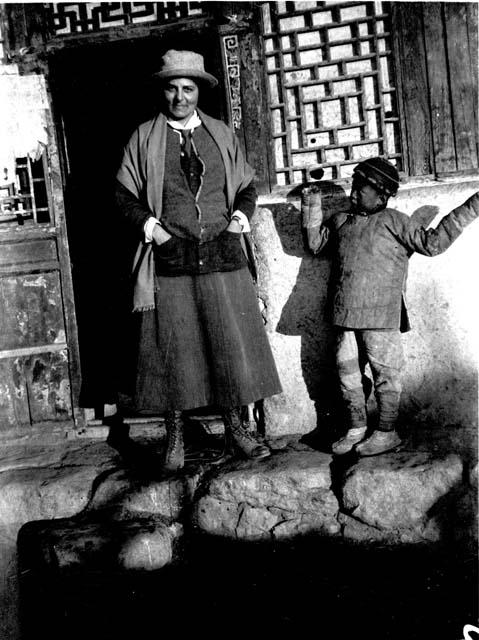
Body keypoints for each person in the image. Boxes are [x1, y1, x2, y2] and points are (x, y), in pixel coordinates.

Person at [106, 49, 282, 471]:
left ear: (199, 91)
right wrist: (156, 231)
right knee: (175, 349)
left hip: (222, 254)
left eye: (188, 88)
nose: (180, 97)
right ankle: (175, 439)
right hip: (172, 257)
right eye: (172, 88)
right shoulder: (144, 137)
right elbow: (123, 195)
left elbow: (247, 187)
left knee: (229, 344)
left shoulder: (221, 134)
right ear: (161, 91)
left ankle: (237, 430)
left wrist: (240, 219)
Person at [302, 157, 479, 456]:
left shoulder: (395, 221)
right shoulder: (342, 220)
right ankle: (356, 427)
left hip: (380, 315)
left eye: (362, 189)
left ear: (382, 195)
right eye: (354, 187)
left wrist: (473, 205)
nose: (353, 193)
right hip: (345, 314)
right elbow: (316, 245)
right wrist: (311, 202)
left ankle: (386, 431)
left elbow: (432, 243)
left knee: (386, 374)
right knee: (346, 373)